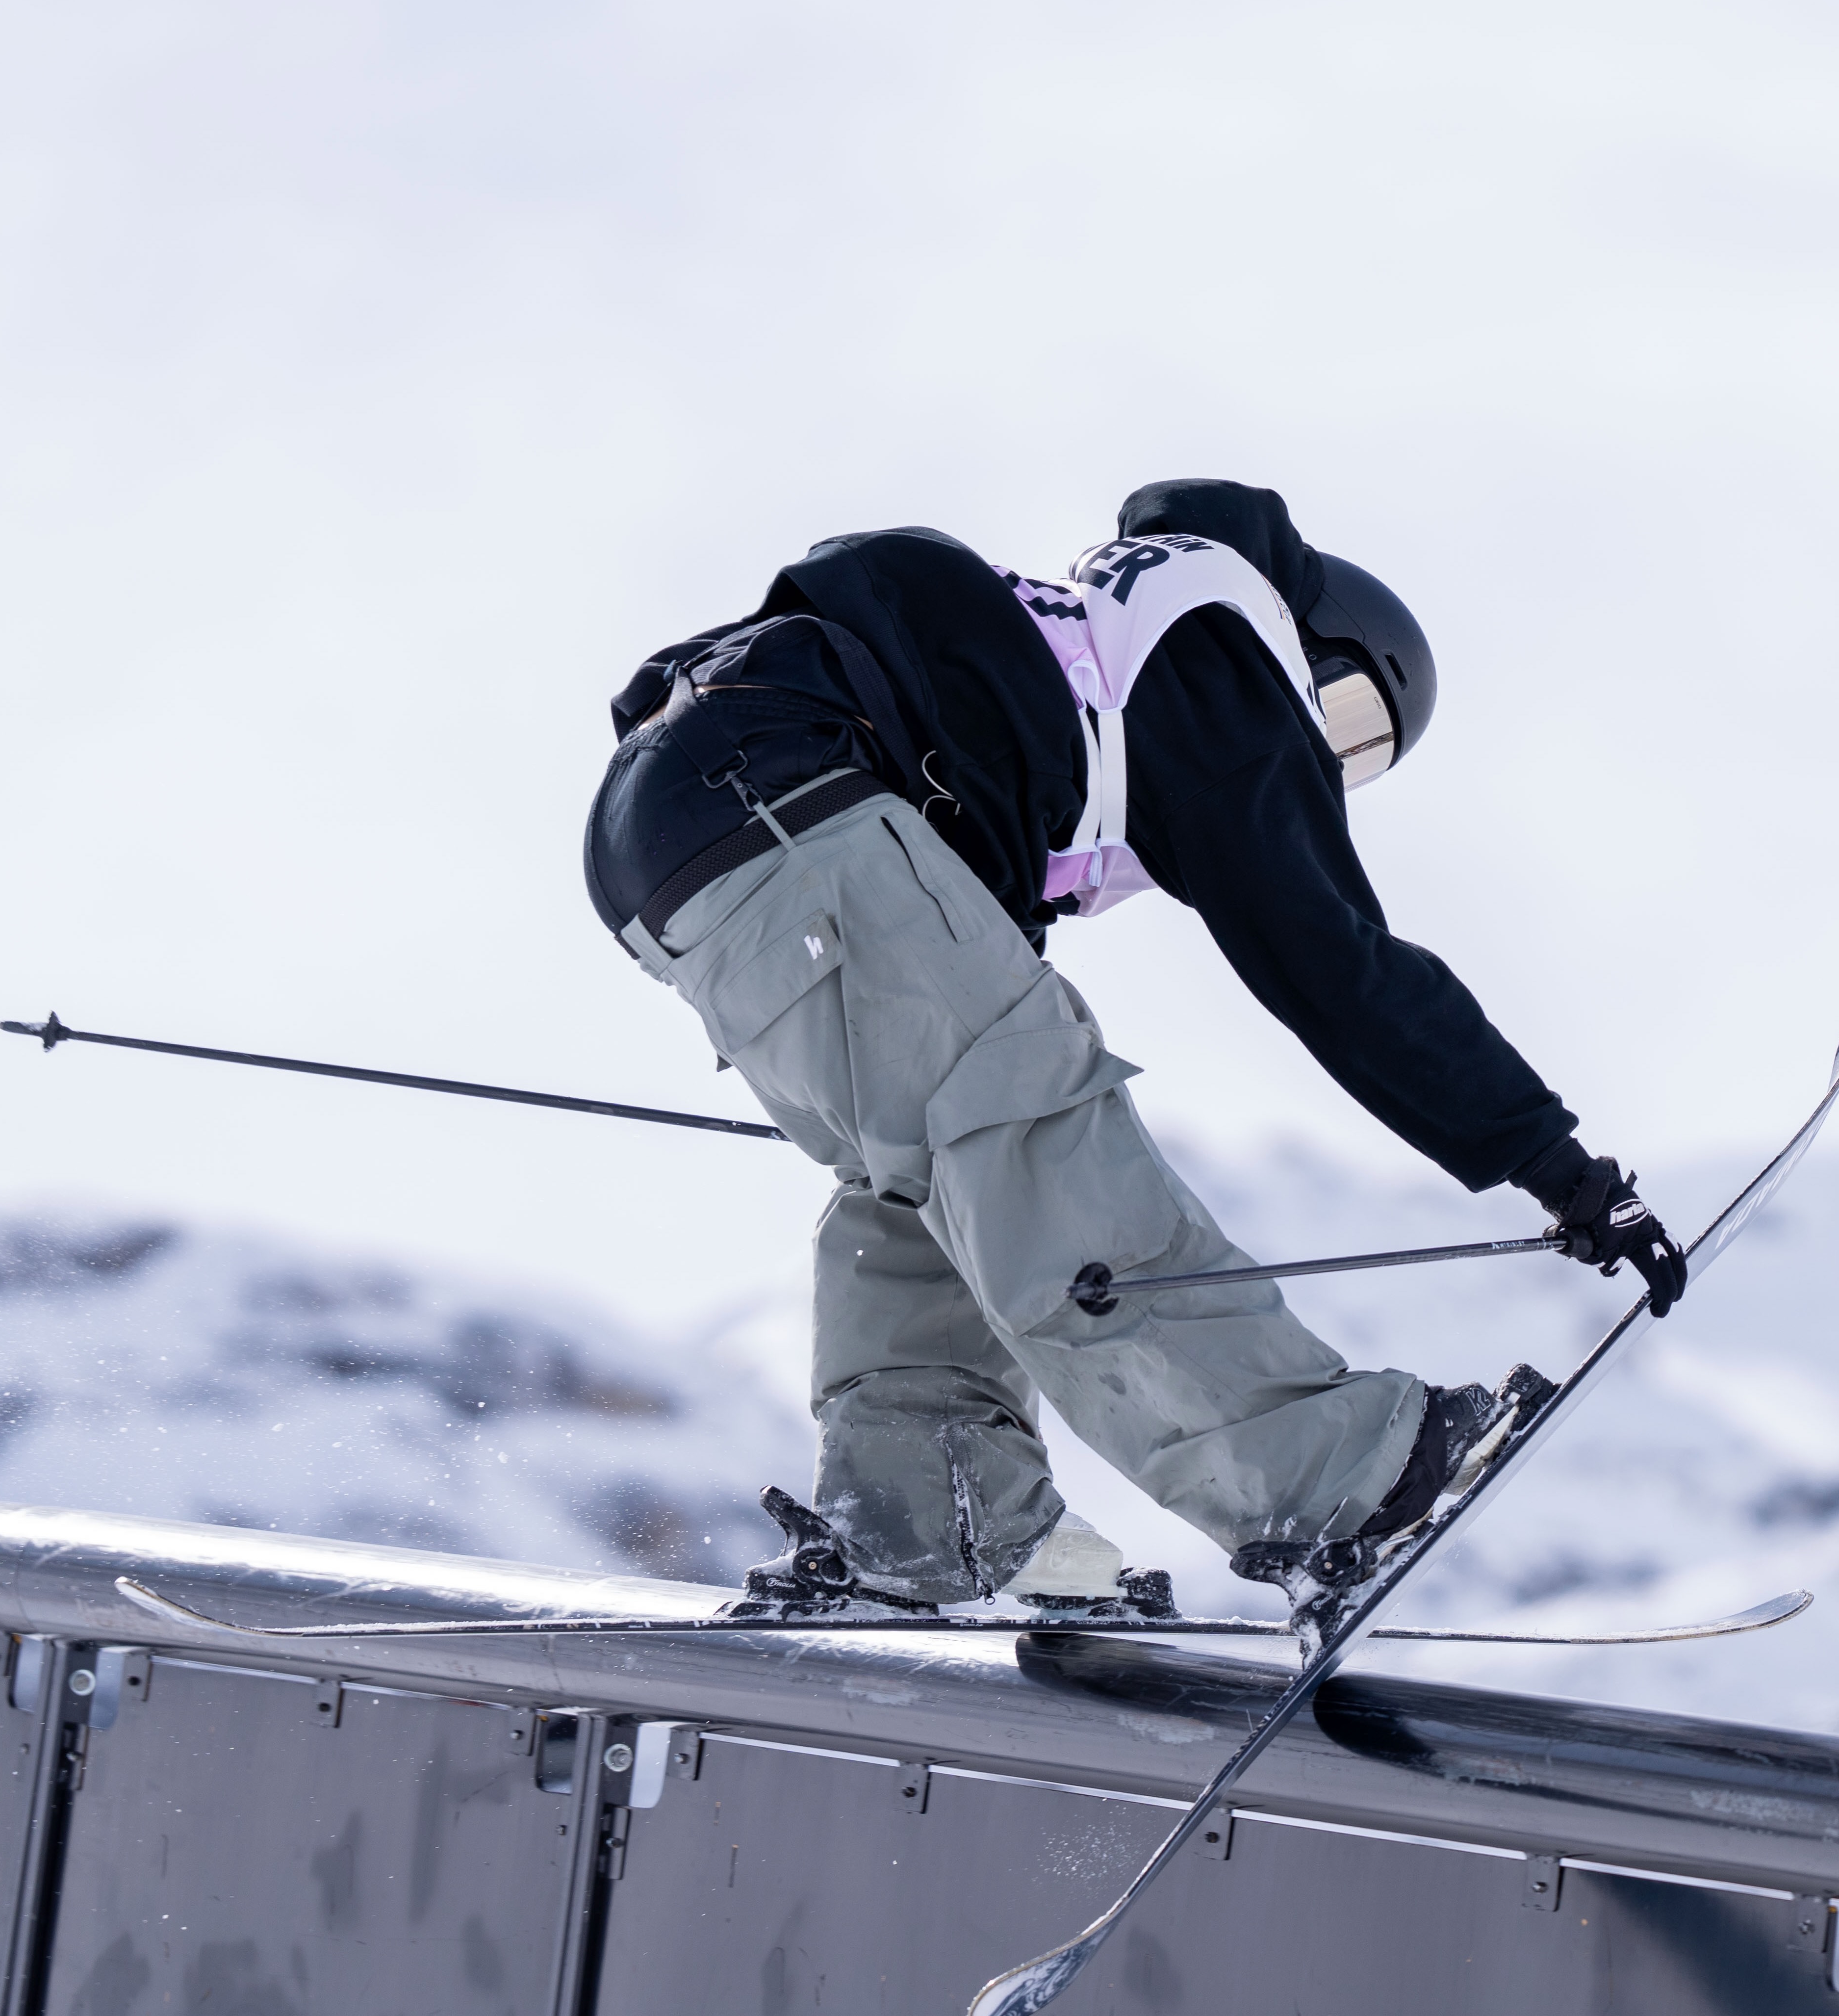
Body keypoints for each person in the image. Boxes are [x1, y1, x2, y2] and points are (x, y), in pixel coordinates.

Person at [580, 480, 1687, 1615]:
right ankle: (1342, 1483)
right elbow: (1333, 963)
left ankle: (929, 1523)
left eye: (1361, 759)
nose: (1328, 764)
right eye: (1351, 721)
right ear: (1318, 645)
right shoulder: (1221, 645)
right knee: (1034, 1122)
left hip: (678, 843)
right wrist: (1558, 1167)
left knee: (934, 1168)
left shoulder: (1086, 665)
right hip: (785, 794)